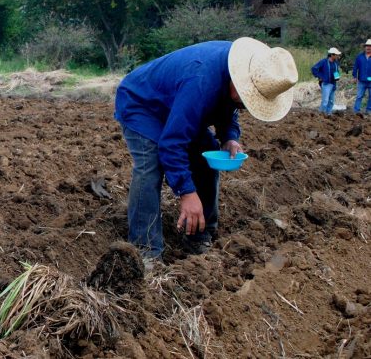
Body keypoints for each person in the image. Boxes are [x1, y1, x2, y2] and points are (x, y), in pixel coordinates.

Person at [114, 38, 297, 268]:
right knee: (150, 167)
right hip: (143, 104)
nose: (243, 103)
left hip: (178, 105)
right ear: (239, 79)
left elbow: (228, 107)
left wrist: (230, 136)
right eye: (246, 96)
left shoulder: (241, 71)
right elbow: (172, 143)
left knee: (206, 157)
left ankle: (199, 235)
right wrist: (186, 193)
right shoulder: (201, 81)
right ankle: (146, 250)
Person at [311, 47, 342, 115]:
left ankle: (328, 114)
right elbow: (314, 69)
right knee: (325, 101)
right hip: (326, 84)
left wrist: (337, 77)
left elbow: (336, 71)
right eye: (336, 55)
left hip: (333, 84)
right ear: (332, 55)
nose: (338, 56)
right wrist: (320, 76)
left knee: (331, 102)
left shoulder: (335, 63)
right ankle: (321, 115)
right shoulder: (323, 62)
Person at [353, 39, 371, 114]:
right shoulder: (359, 57)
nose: (368, 47)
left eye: (370, 46)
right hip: (361, 80)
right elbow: (355, 67)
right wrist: (354, 76)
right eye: (367, 46)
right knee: (359, 96)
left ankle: (369, 110)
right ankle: (356, 111)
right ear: (365, 47)